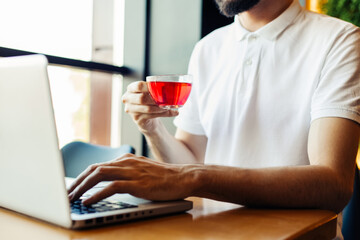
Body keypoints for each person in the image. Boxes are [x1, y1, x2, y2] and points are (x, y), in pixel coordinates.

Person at [68, 0, 359, 237]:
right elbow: (190, 158)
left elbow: (333, 183)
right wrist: (153, 129)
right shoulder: (207, 48)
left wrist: (192, 177)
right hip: (211, 232)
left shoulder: (340, 40)